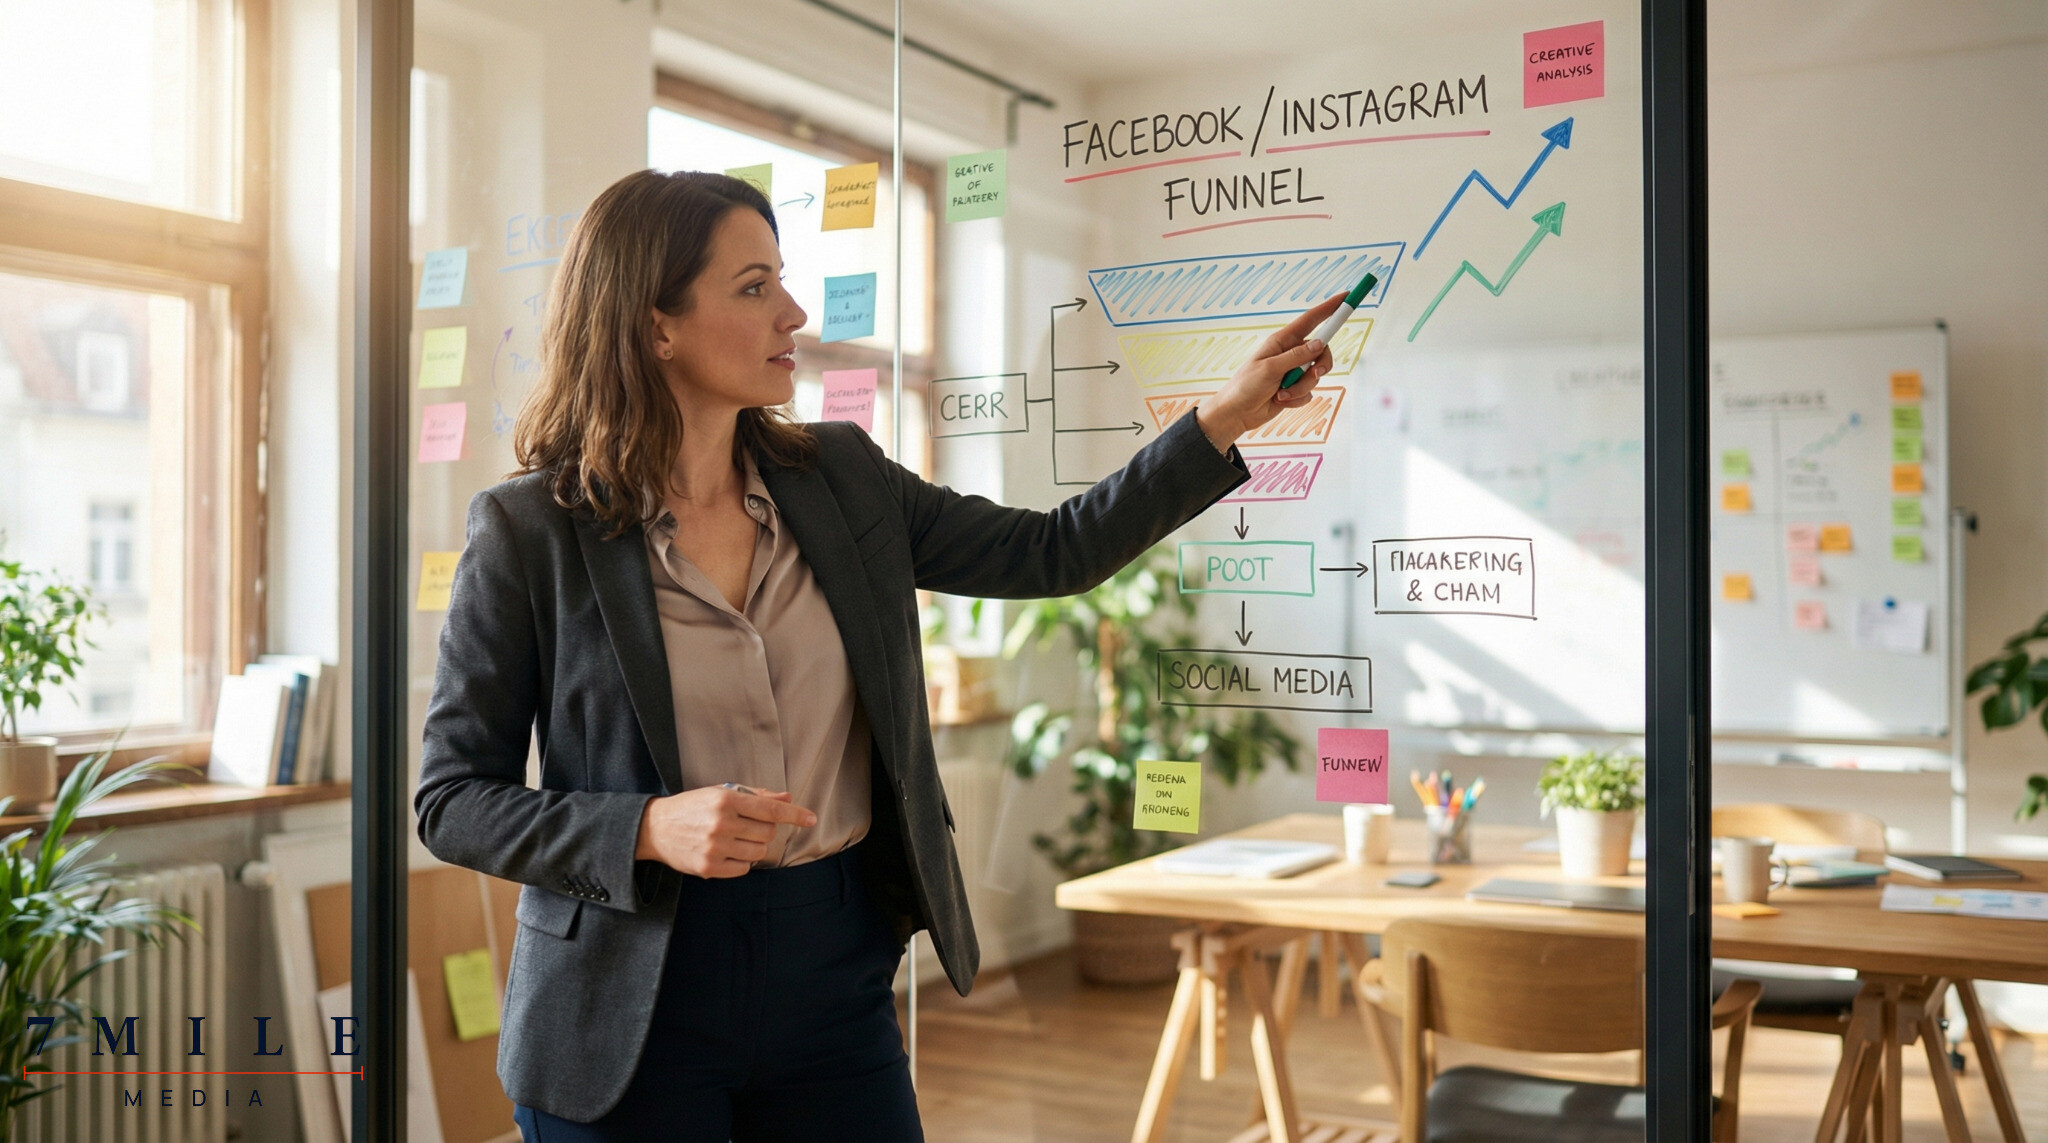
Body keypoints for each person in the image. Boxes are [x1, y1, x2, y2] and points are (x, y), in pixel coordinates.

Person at [413, 168, 1335, 1142]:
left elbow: (1050, 551)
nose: (795, 313)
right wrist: (643, 827)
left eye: (782, 280)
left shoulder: (840, 478)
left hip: (831, 971)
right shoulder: (529, 531)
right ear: (655, 328)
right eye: (753, 287)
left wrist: (1223, 418)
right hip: (629, 998)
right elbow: (451, 800)